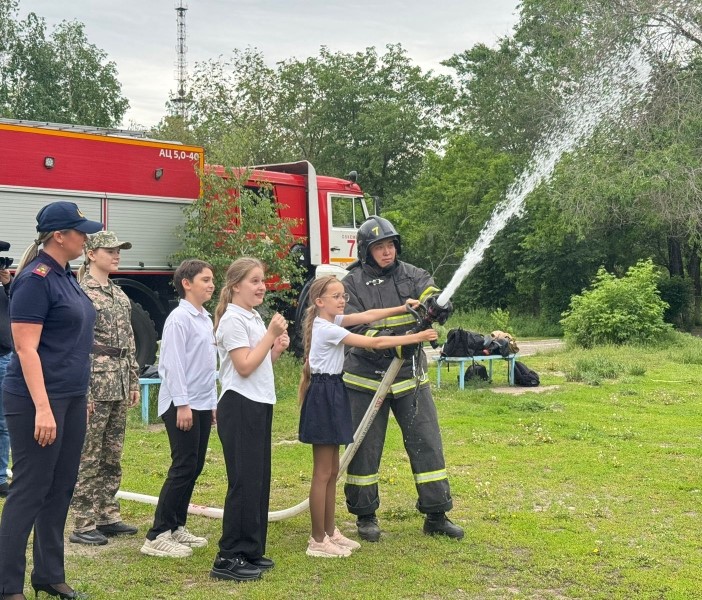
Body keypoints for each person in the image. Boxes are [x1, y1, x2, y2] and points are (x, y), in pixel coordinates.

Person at [0, 201, 102, 600]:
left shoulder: (66, 276)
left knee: (61, 487)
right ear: (59, 236)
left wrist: (81, 396)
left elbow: (72, 344)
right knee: (31, 489)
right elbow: (27, 350)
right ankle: (8, 586)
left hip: (71, 397)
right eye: (80, 231)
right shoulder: (35, 278)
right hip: (36, 400)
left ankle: (48, 574)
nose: (85, 237)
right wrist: (43, 407)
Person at [342, 216, 464, 542]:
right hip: (366, 379)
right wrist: (400, 328)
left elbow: (432, 295)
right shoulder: (351, 283)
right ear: (367, 251)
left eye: (391, 244)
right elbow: (356, 330)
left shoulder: (414, 274)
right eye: (379, 247)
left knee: (427, 443)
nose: (387, 252)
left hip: (411, 375)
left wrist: (438, 306)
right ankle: (365, 516)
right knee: (364, 449)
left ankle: (436, 513)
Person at [298, 275, 438, 558]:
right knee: (322, 472)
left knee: (333, 471)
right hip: (324, 395)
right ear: (319, 301)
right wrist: (418, 337)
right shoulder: (326, 328)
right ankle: (316, 540)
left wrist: (402, 307)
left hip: (333, 390)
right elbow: (373, 342)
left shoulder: (332, 321)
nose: (343, 301)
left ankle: (330, 532)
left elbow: (369, 315)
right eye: (336, 296)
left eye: (343, 296)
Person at [209, 258, 289, 582]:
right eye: (254, 281)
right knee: (243, 481)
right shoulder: (232, 320)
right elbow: (242, 366)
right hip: (239, 404)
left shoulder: (252, 316)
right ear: (236, 285)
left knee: (258, 478)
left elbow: (258, 362)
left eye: (262, 281)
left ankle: (250, 549)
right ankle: (228, 556)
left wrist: (276, 348)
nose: (261, 287)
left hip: (258, 402)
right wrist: (270, 334)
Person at [141, 260, 217, 559]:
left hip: (200, 401)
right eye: (205, 279)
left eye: (212, 280)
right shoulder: (178, 319)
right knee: (183, 466)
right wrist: (183, 404)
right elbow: (172, 366)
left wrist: (210, 404)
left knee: (194, 467)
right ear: (187, 283)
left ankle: (176, 526)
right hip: (180, 403)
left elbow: (207, 367)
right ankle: (157, 534)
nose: (211, 284)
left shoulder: (204, 317)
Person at [69, 232, 140, 546]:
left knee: (113, 453)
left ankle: (107, 514)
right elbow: (78, 346)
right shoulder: (83, 293)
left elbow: (130, 342)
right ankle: (82, 522)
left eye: (118, 251)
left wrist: (134, 381)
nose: (116, 255)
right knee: (89, 454)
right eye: (110, 250)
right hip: (96, 383)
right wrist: (83, 392)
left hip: (119, 380)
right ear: (91, 253)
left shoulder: (119, 293)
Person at [0, 256, 12, 498]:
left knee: (3, 422)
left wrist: (9, 285)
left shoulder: (5, 289)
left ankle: (0, 477)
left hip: (4, 356)